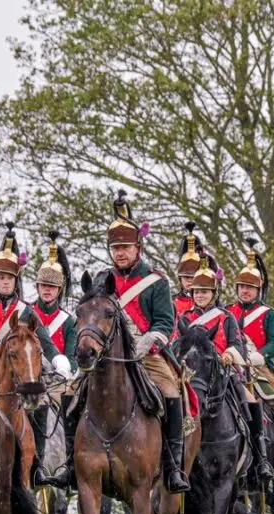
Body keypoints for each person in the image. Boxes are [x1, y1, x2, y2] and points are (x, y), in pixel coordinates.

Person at [45, 192, 190, 493]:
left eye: (125, 247)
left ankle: (173, 467)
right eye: (115, 248)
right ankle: (71, 466)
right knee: (70, 392)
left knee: (170, 392)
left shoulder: (156, 281)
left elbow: (166, 322)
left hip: (147, 353)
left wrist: (150, 341)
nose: (120, 253)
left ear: (138, 248)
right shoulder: (101, 278)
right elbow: (91, 313)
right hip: (106, 354)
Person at [0, 223, 72, 488]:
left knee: (40, 402)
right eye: (1, 277)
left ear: (16, 280)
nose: (5, 281)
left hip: (17, 372)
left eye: (10, 277)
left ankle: (37, 467)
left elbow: (47, 345)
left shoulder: (26, 310)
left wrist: (60, 362)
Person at [175, 249, 273, 481]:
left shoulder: (226, 317)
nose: (200, 295)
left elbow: (237, 344)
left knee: (251, 401)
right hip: (190, 374)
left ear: (214, 293)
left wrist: (229, 354)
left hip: (222, 371)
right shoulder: (184, 318)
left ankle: (261, 457)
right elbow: (175, 343)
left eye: (204, 292)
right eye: (196, 291)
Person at [226, 238, 274, 476]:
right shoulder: (227, 311)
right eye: (242, 287)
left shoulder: (268, 314)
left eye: (250, 287)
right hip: (231, 363)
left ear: (258, 290)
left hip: (259, 366)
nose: (245, 291)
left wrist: (261, 356)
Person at [28, 230, 78, 487]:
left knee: (75, 407)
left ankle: (71, 463)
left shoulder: (69, 321)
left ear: (59, 290)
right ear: (37, 287)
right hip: (29, 377)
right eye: (43, 286)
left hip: (59, 381)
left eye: (52, 287)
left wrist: (64, 370)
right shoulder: (25, 313)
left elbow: (73, 357)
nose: (47, 290)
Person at [171, 221, 202, 337]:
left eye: (193, 277)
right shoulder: (170, 302)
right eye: (186, 277)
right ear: (180, 278)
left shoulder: (212, 305)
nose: (190, 280)